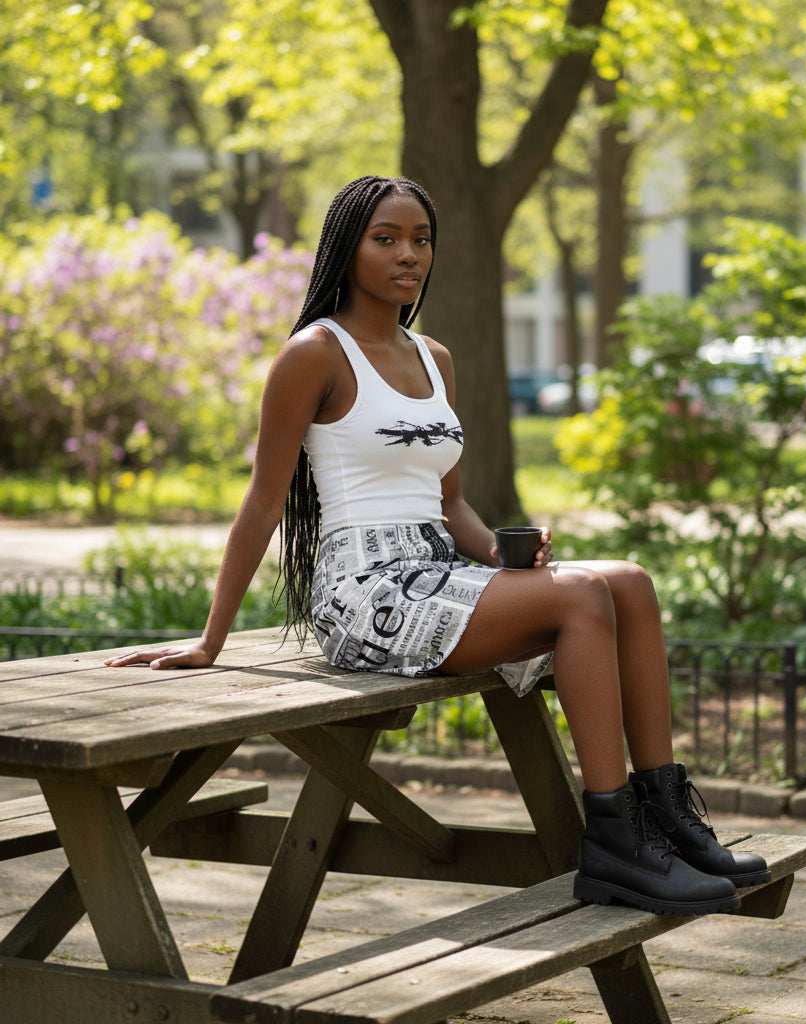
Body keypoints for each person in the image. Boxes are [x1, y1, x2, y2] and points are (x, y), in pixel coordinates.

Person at [106, 175, 768, 915]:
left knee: (630, 581)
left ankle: (667, 818)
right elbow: (263, 501)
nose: (407, 254)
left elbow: (450, 503)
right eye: (384, 238)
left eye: (420, 239)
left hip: (437, 569)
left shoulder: (434, 358)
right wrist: (209, 640)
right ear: (345, 248)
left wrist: (508, 559)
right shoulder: (315, 353)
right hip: (364, 593)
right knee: (583, 598)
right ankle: (614, 844)